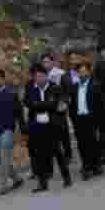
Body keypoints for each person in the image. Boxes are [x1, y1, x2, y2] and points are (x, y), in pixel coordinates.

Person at [22, 61, 69, 191]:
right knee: (39, 155)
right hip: (37, 126)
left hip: (52, 125)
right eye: (36, 77)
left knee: (57, 152)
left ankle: (66, 177)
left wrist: (40, 105)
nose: (38, 79)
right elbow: (28, 103)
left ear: (46, 76)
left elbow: (59, 105)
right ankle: (42, 183)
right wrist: (46, 104)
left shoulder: (55, 88)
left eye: (41, 76)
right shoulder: (31, 88)